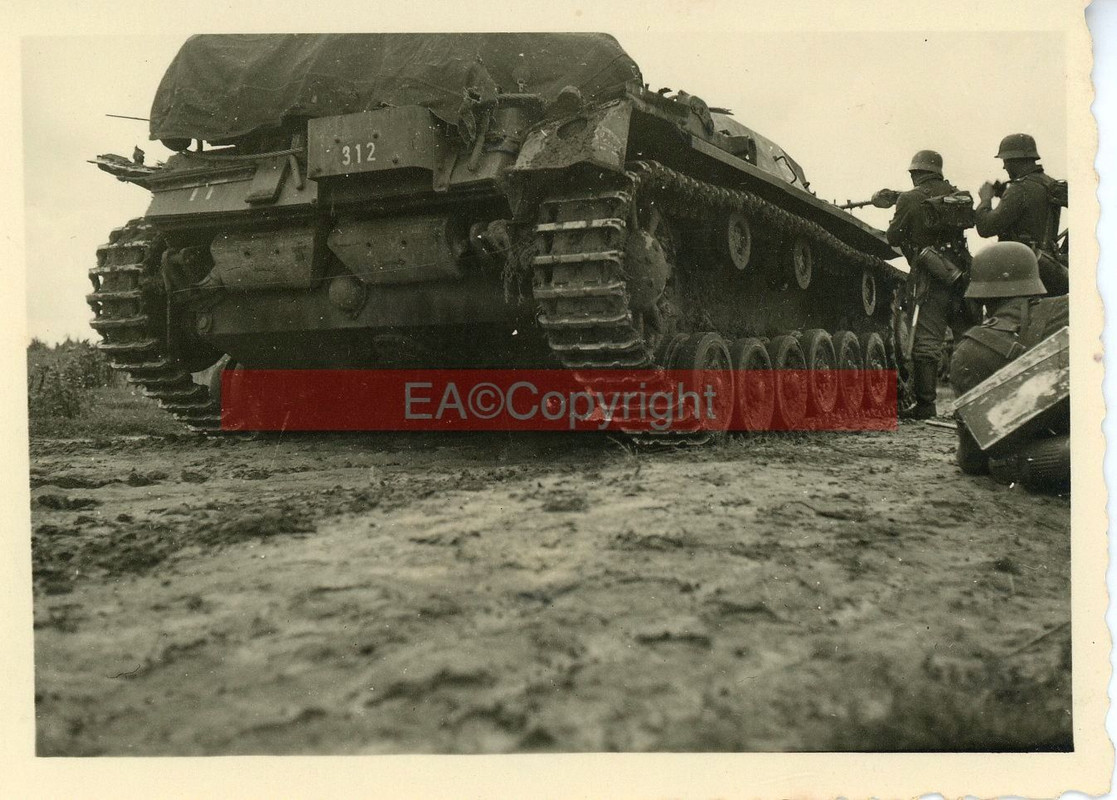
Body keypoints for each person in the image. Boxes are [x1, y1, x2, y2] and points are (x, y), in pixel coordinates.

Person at [949, 242, 1068, 483]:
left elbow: (973, 460)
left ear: (981, 295)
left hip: (1055, 458)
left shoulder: (968, 352)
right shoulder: (1076, 311)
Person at [880, 149, 975, 419]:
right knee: (966, 337)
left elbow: (893, 236)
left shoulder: (910, 199)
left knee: (927, 343)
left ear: (916, 173)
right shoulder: (959, 195)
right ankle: (972, 402)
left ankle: (926, 405)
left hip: (930, 278)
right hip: (961, 274)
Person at [975, 133, 1068, 295]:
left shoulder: (1019, 189)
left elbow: (985, 228)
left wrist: (985, 200)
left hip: (1021, 270)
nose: (1004, 167)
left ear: (1015, 161)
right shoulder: (1048, 183)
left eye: (1005, 161)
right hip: (1048, 266)